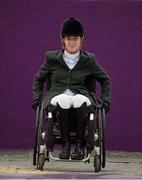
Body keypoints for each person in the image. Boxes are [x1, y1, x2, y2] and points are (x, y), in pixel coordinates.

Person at [32, 17, 111, 160]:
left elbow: (105, 79)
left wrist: (106, 100)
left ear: (81, 40)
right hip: (58, 96)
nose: (72, 42)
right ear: (63, 40)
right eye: (69, 39)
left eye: (75, 39)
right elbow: (39, 78)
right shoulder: (51, 58)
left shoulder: (89, 60)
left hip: (81, 96)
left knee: (80, 99)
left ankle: (80, 146)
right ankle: (66, 145)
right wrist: (37, 98)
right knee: (63, 99)